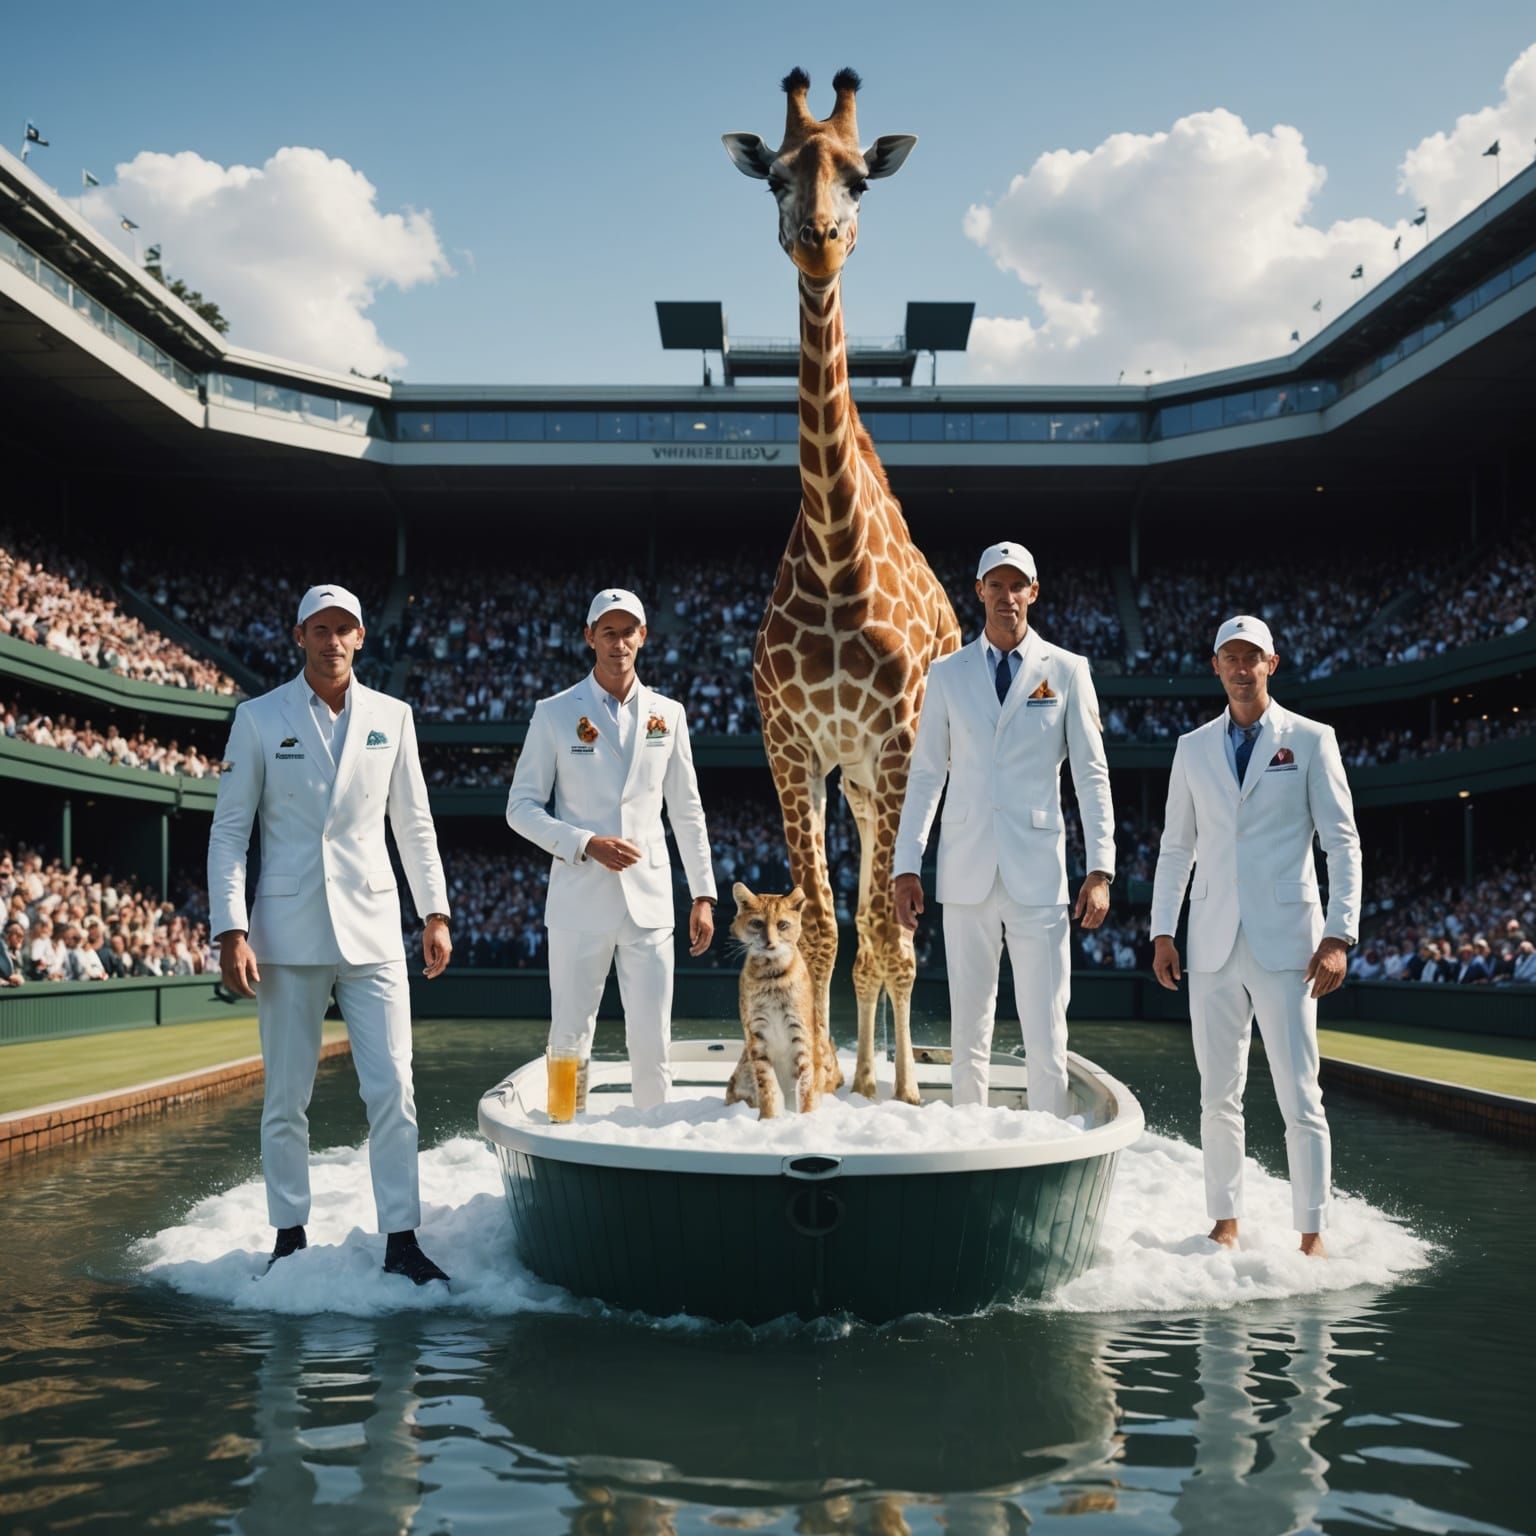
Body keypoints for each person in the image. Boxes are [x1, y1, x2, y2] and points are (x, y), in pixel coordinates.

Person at [208, 583, 453, 1285]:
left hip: (375, 930)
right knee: (287, 1098)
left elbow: (414, 825)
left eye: (344, 627)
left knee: (394, 1092)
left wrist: (433, 912)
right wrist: (231, 928)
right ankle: (289, 1236)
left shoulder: (393, 717)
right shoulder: (257, 719)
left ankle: (401, 1239)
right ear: (300, 636)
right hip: (284, 935)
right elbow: (230, 834)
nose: (332, 639)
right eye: (320, 627)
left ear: (362, 637)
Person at [1151, 615, 1362, 1258]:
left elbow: (1341, 843)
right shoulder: (1191, 747)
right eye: (1230, 658)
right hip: (1210, 940)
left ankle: (1312, 1231)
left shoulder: (1311, 739)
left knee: (1301, 1094)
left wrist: (1338, 936)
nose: (1242, 668)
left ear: (1273, 663)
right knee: (1218, 1094)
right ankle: (1225, 1221)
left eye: (1253, 658)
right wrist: (1163, 930)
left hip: (1290, 944)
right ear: (1215, 666)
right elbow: (1176, 847)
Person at [893, 542, 1116, 1114]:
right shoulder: (945, 673)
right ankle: (969, 1147)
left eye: (1018, 585)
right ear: (979, 592)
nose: (1007, 596)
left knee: (1046, 1029)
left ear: (1033, 593)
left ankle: (1046, 1148)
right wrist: (906, 866)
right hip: (965, 870)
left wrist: (1100, 869)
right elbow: (925, 776)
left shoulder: (1068, 671)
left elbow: (1092, 777)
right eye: (997, 585)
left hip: (1039, 875)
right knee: (968, 1029)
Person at [506, 587, 716, 1108]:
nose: (618, 642)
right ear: (589, 638)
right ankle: (562, 1133)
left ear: (643, 637)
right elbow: (520, 807)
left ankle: (654, 1147)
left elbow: (687, 811)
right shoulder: (553, 713)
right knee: (569, 1038)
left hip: (649, 904)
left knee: (653, 1042)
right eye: (608, 632)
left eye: (628, 632)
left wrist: (704, 895)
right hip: (579, 899)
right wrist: (584, 843)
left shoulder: (669, 713)